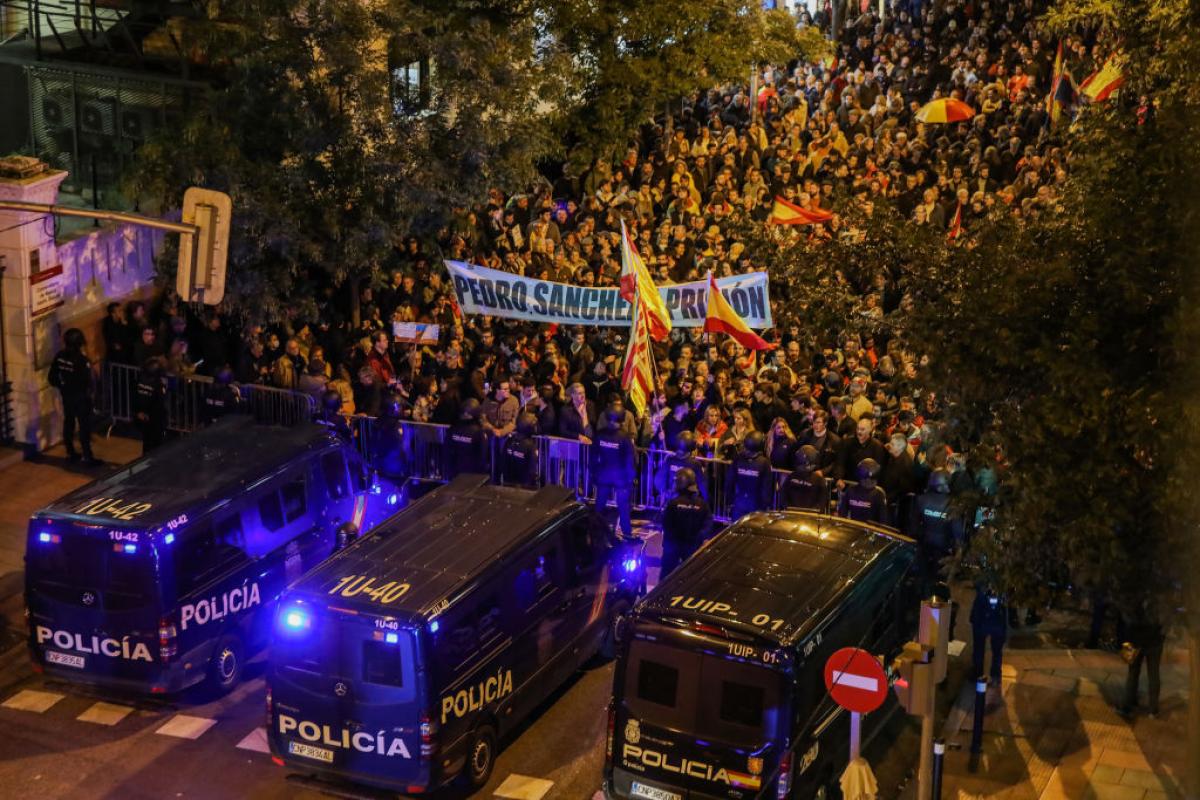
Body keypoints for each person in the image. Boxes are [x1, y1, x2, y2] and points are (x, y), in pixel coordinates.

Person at [48, 328, 99, 464]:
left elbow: (52, 378)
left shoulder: (59, 356)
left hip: (67, 396)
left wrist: (63, 386)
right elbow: (89, 381)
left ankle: (70, 452)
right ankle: (87, 456)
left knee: (69, 422)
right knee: (84, 426)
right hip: (81, 398)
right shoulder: (82, 361)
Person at [590, 408, 636, 538]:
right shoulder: (624, 437)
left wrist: (594, 473)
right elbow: (629, 459)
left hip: (603, 475)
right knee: (623, 507)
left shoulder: (600, 434)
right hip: (620, 477)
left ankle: (594, 531)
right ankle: (627, 534)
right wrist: (630, 478)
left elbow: (593, 457)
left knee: (599, 506)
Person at [659, 468, 712, 576]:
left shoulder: (673, 504)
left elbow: (666, 524)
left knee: (666, 576)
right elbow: (708, 525)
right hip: (693, 546)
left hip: (674, 545)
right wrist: (698, 538)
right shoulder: (702, 504)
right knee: (692, 575)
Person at [1117, 602, 1165, 719]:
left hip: (1135, 639)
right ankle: (1153, 710)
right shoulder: (1159, 592)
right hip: (1154, 640)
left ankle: (1128, 706)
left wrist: (1123, 642)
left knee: (1133, 673)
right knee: (1153, 673)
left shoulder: (1134, 591)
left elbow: (1125, 618)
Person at [725, 430, 773, 520]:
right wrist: (766, 505)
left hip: (739, 502)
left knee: (737, 530)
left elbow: (729, 481)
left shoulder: (738, 459)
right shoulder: (764, 462)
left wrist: (729, 500)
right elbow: (766, 487)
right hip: (756, 505)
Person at [654, 430, 709, 502]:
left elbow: (658, 480)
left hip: (671, 499)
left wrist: (665, 493)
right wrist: (706, 501)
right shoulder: (695, 464)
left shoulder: (669, 460)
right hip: (689, 501)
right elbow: (702, 485)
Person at [970, 585, 1009, 683]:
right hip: (997, 622)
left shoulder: (982, 585)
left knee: (979, 648)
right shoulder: (1002, 586)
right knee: (996, 651)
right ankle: (995, 675)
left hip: (982, 620)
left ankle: (978, 673)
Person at [133, 356, 168, 454]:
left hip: (144, 418)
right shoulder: (157, 384)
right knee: (156, 445)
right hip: (154, 419)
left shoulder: (140, 380)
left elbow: (135, 397)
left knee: (146, 443)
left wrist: (138, 412)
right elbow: (159, 402)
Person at [838, 458, 888, 524]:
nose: (868, 481)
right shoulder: (851, 490)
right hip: (854, 528)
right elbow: (842, 513)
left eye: (871, 479)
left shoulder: (879, 494)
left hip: (872, 530)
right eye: (866, 479)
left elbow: (883, 520)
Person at [447, 398, 488, 477]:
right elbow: (483, 455)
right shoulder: (478, 432)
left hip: (455, 472)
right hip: (473, 473)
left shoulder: (453, 428)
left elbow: (447, 450)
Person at [782, 444, 829, 511]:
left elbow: (822, 500)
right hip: (793, 513)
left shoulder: (819, 480)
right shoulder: (792, 476)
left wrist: (814, 511)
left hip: (809, 515)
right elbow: (783, 494)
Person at [500, 413, 539, 488]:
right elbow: (531, 470)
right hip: (524, 487)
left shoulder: (509, 440)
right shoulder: (530, 446)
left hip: (508, 484)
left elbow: (503, 462)